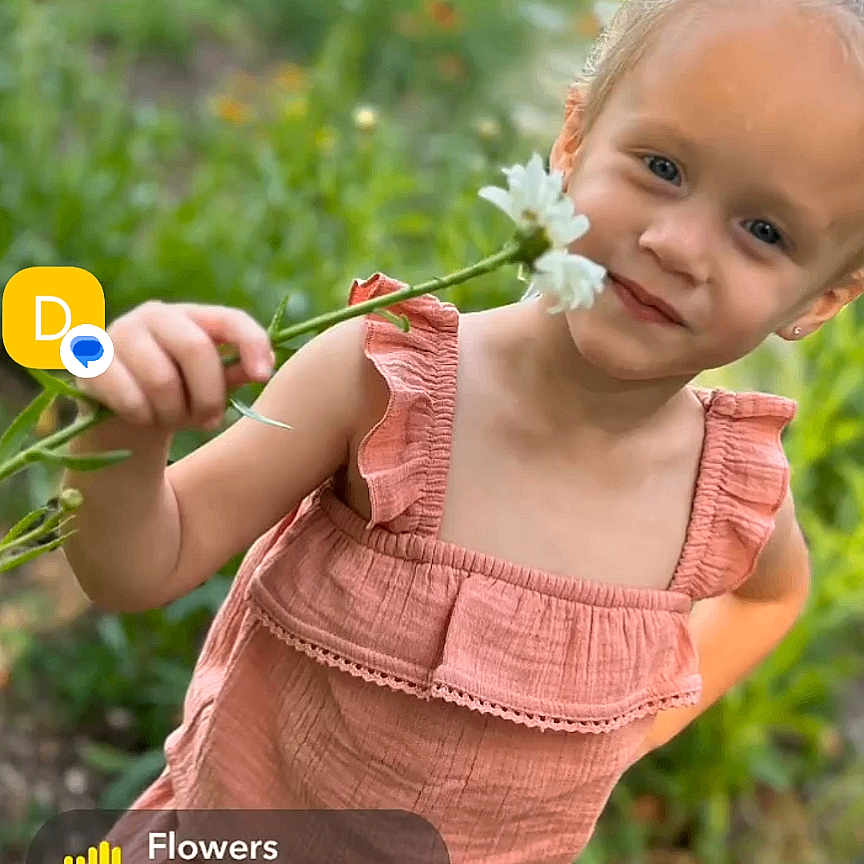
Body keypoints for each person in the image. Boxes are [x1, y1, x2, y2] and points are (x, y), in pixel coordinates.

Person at [62, 0, 864, 861]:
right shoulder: (387, 387)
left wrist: (646, 727)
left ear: (819, 299)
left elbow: (772, 595)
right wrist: (122, 431)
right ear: (575, 139)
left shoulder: (725, 493)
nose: (676, 244)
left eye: (764, 231)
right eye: (663, 166)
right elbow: (139, 564)